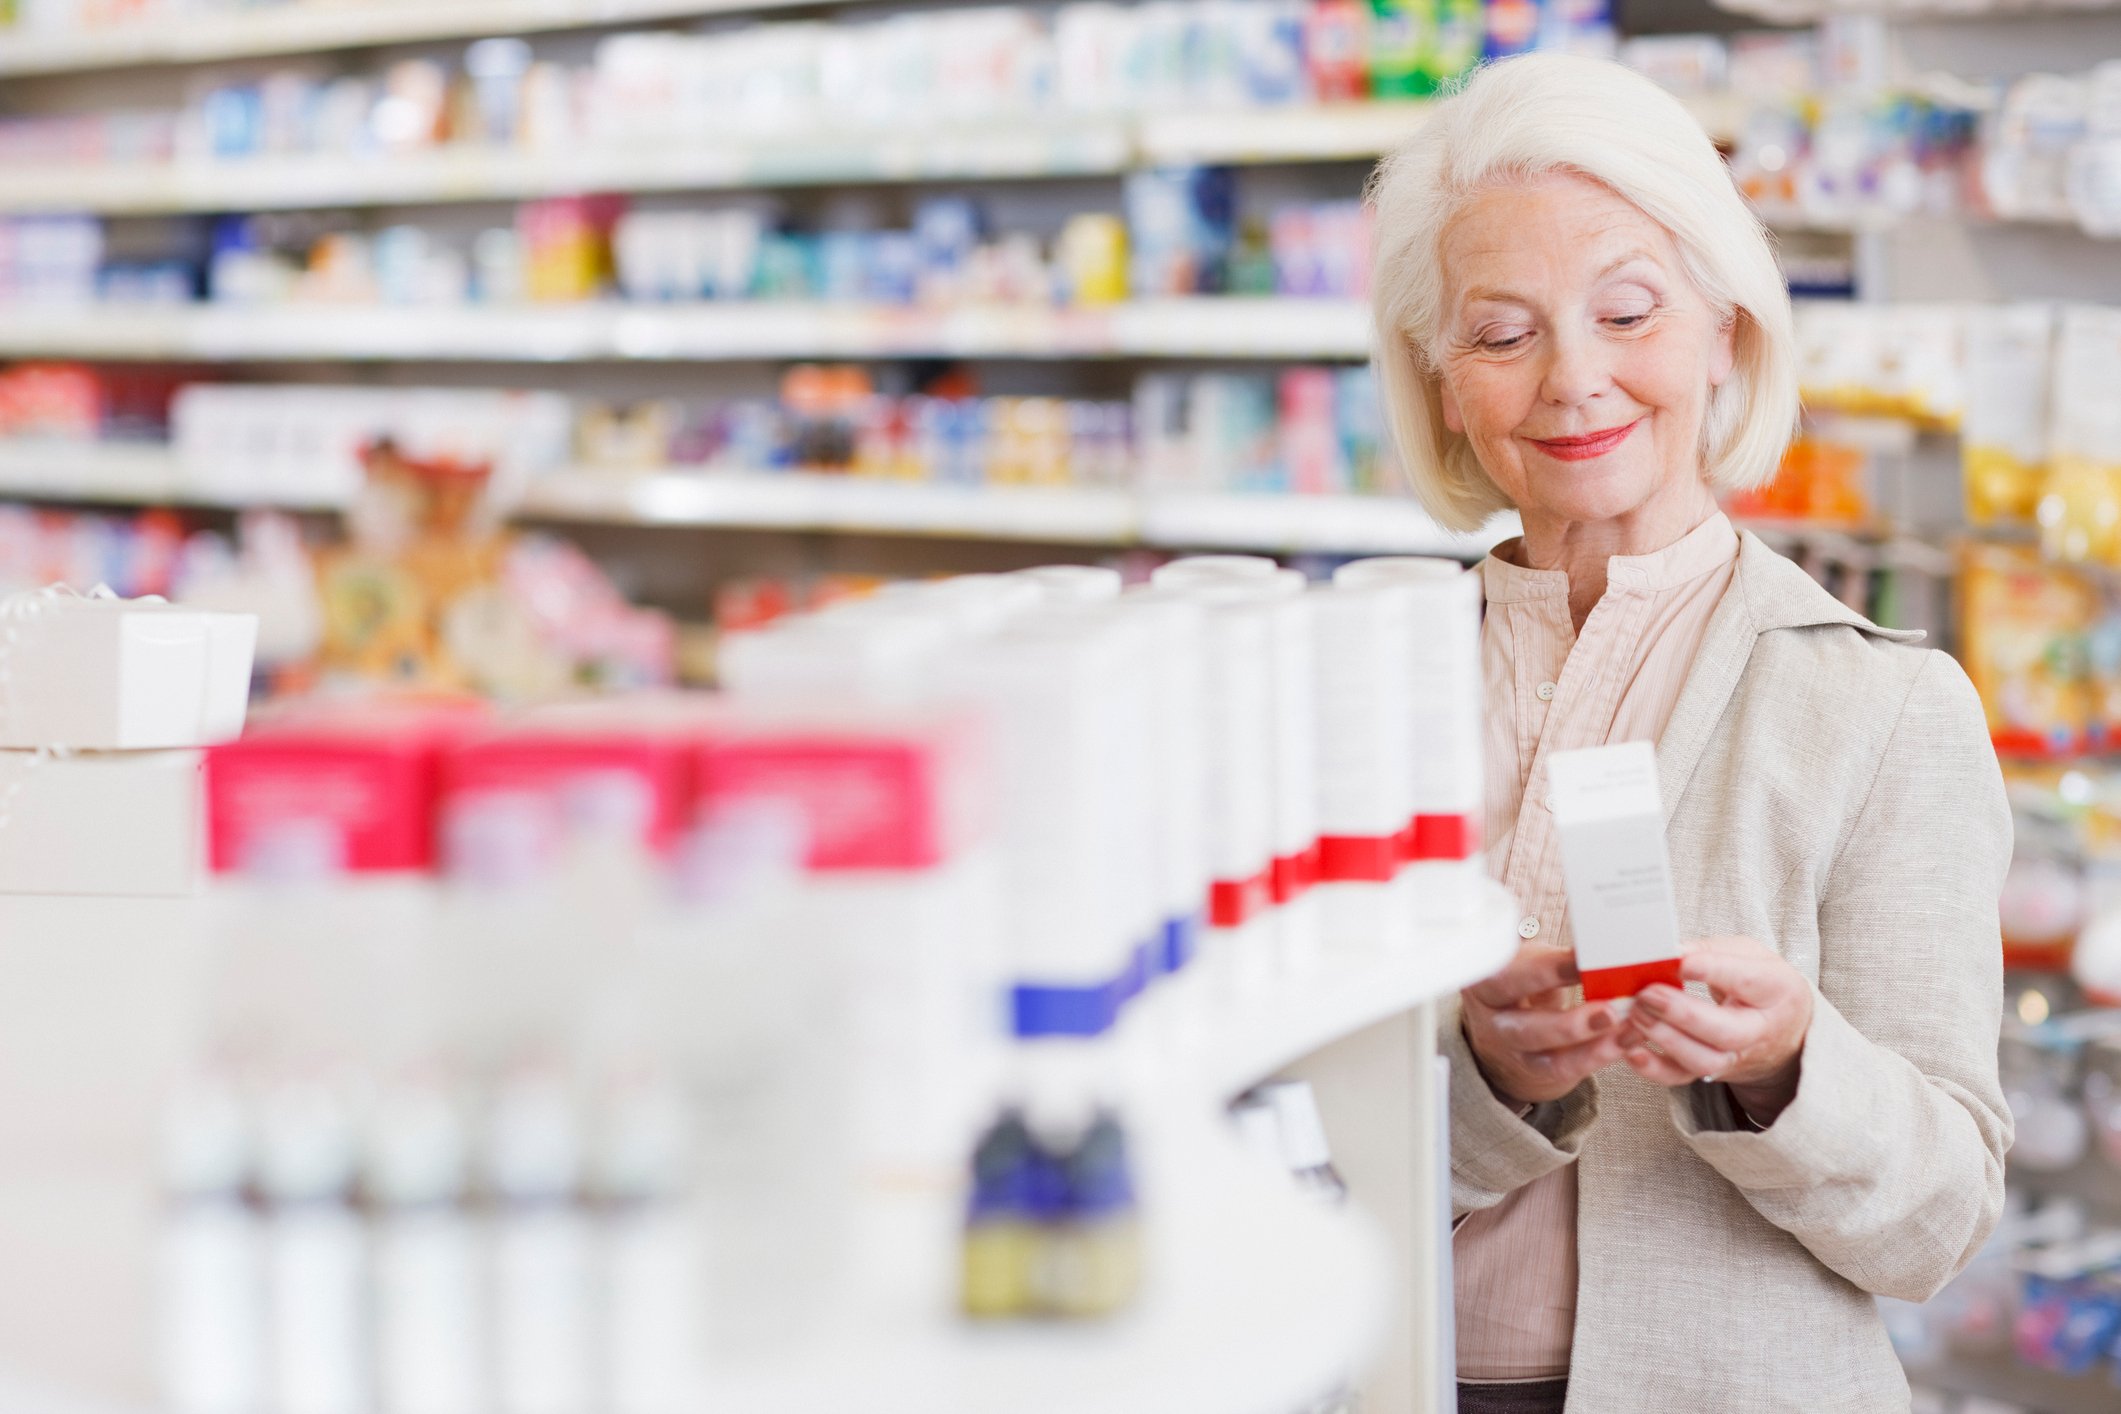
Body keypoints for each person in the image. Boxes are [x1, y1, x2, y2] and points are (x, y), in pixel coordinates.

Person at [1368, 53, 2012, 1414]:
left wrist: (1784, 1068)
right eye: (1501, 334)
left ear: (1722, 330)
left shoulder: (1880, 708)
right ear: (1437, 384)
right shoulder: (1358, 685)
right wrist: (1488, 1082)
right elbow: (1265, 1153)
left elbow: (1936, 1224)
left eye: (1625, 310)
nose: (1572, 379)